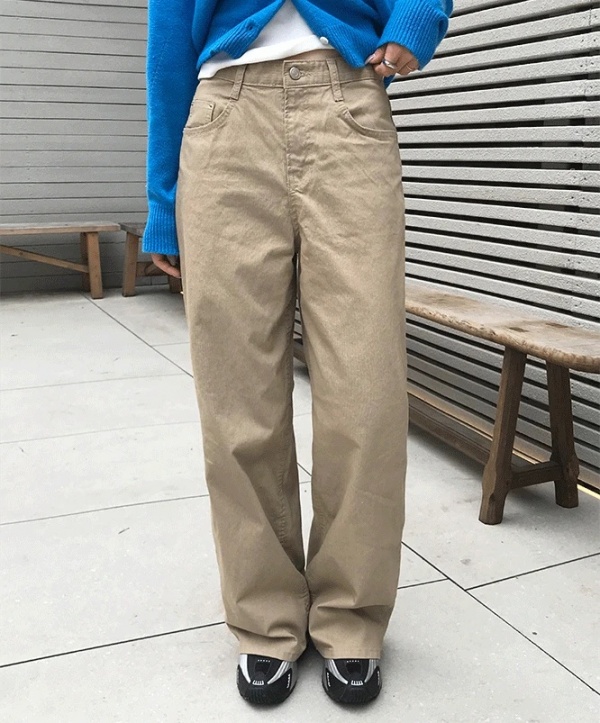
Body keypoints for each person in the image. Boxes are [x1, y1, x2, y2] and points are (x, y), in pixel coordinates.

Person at [143, 0, 453, 707]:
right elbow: (167, 36)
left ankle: (352, 617)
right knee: (237, 396)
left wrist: (418, 17)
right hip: (223, 119)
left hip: (347, 106)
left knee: (366, 391)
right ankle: (265, 618)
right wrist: (163, 199)